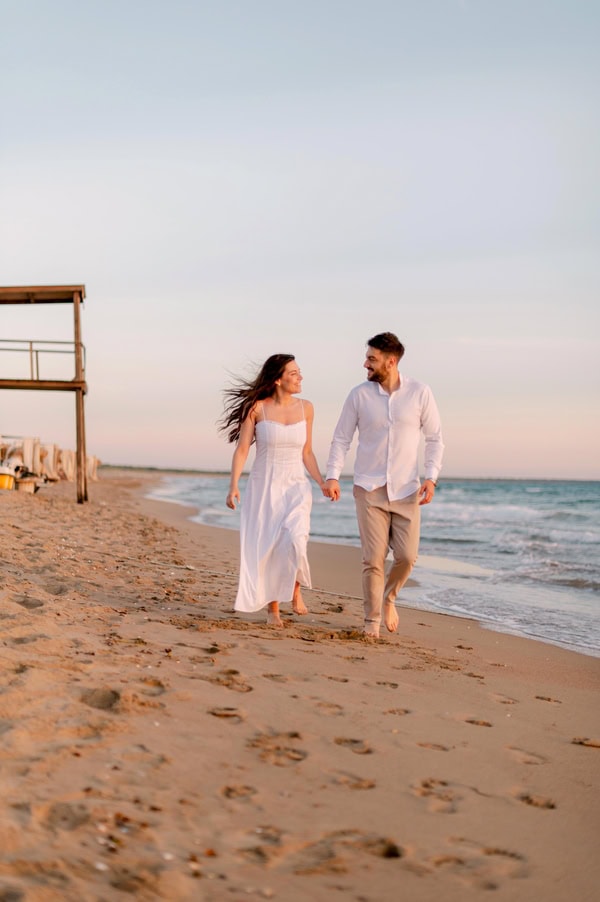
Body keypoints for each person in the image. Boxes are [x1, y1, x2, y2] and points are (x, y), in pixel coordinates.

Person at [325, 332, 444, 638]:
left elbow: (434, 439)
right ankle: (371, 622)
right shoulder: (358, 396)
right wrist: (333, 475)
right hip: (369, 489)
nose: (365, 364)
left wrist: (431, 477)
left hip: (407, 490)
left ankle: (390, 598)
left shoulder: (420, 392)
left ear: (391, 362)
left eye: (372, 359)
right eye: (367, 358)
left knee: (407, 557)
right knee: (373, 560)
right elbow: (341, 438)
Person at [220, 354, 330, 627]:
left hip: (296, 486)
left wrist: (321, 481)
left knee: (296, 539)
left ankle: (295, 588)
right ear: (278, 379)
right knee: (269, 547)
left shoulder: (307, 408)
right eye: (294, 373)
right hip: (265, 486)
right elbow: (242, 450)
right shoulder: (257, 408)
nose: (300, 377)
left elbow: (307, 452)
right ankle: (273, 610)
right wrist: (233, 485)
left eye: (299, 372)